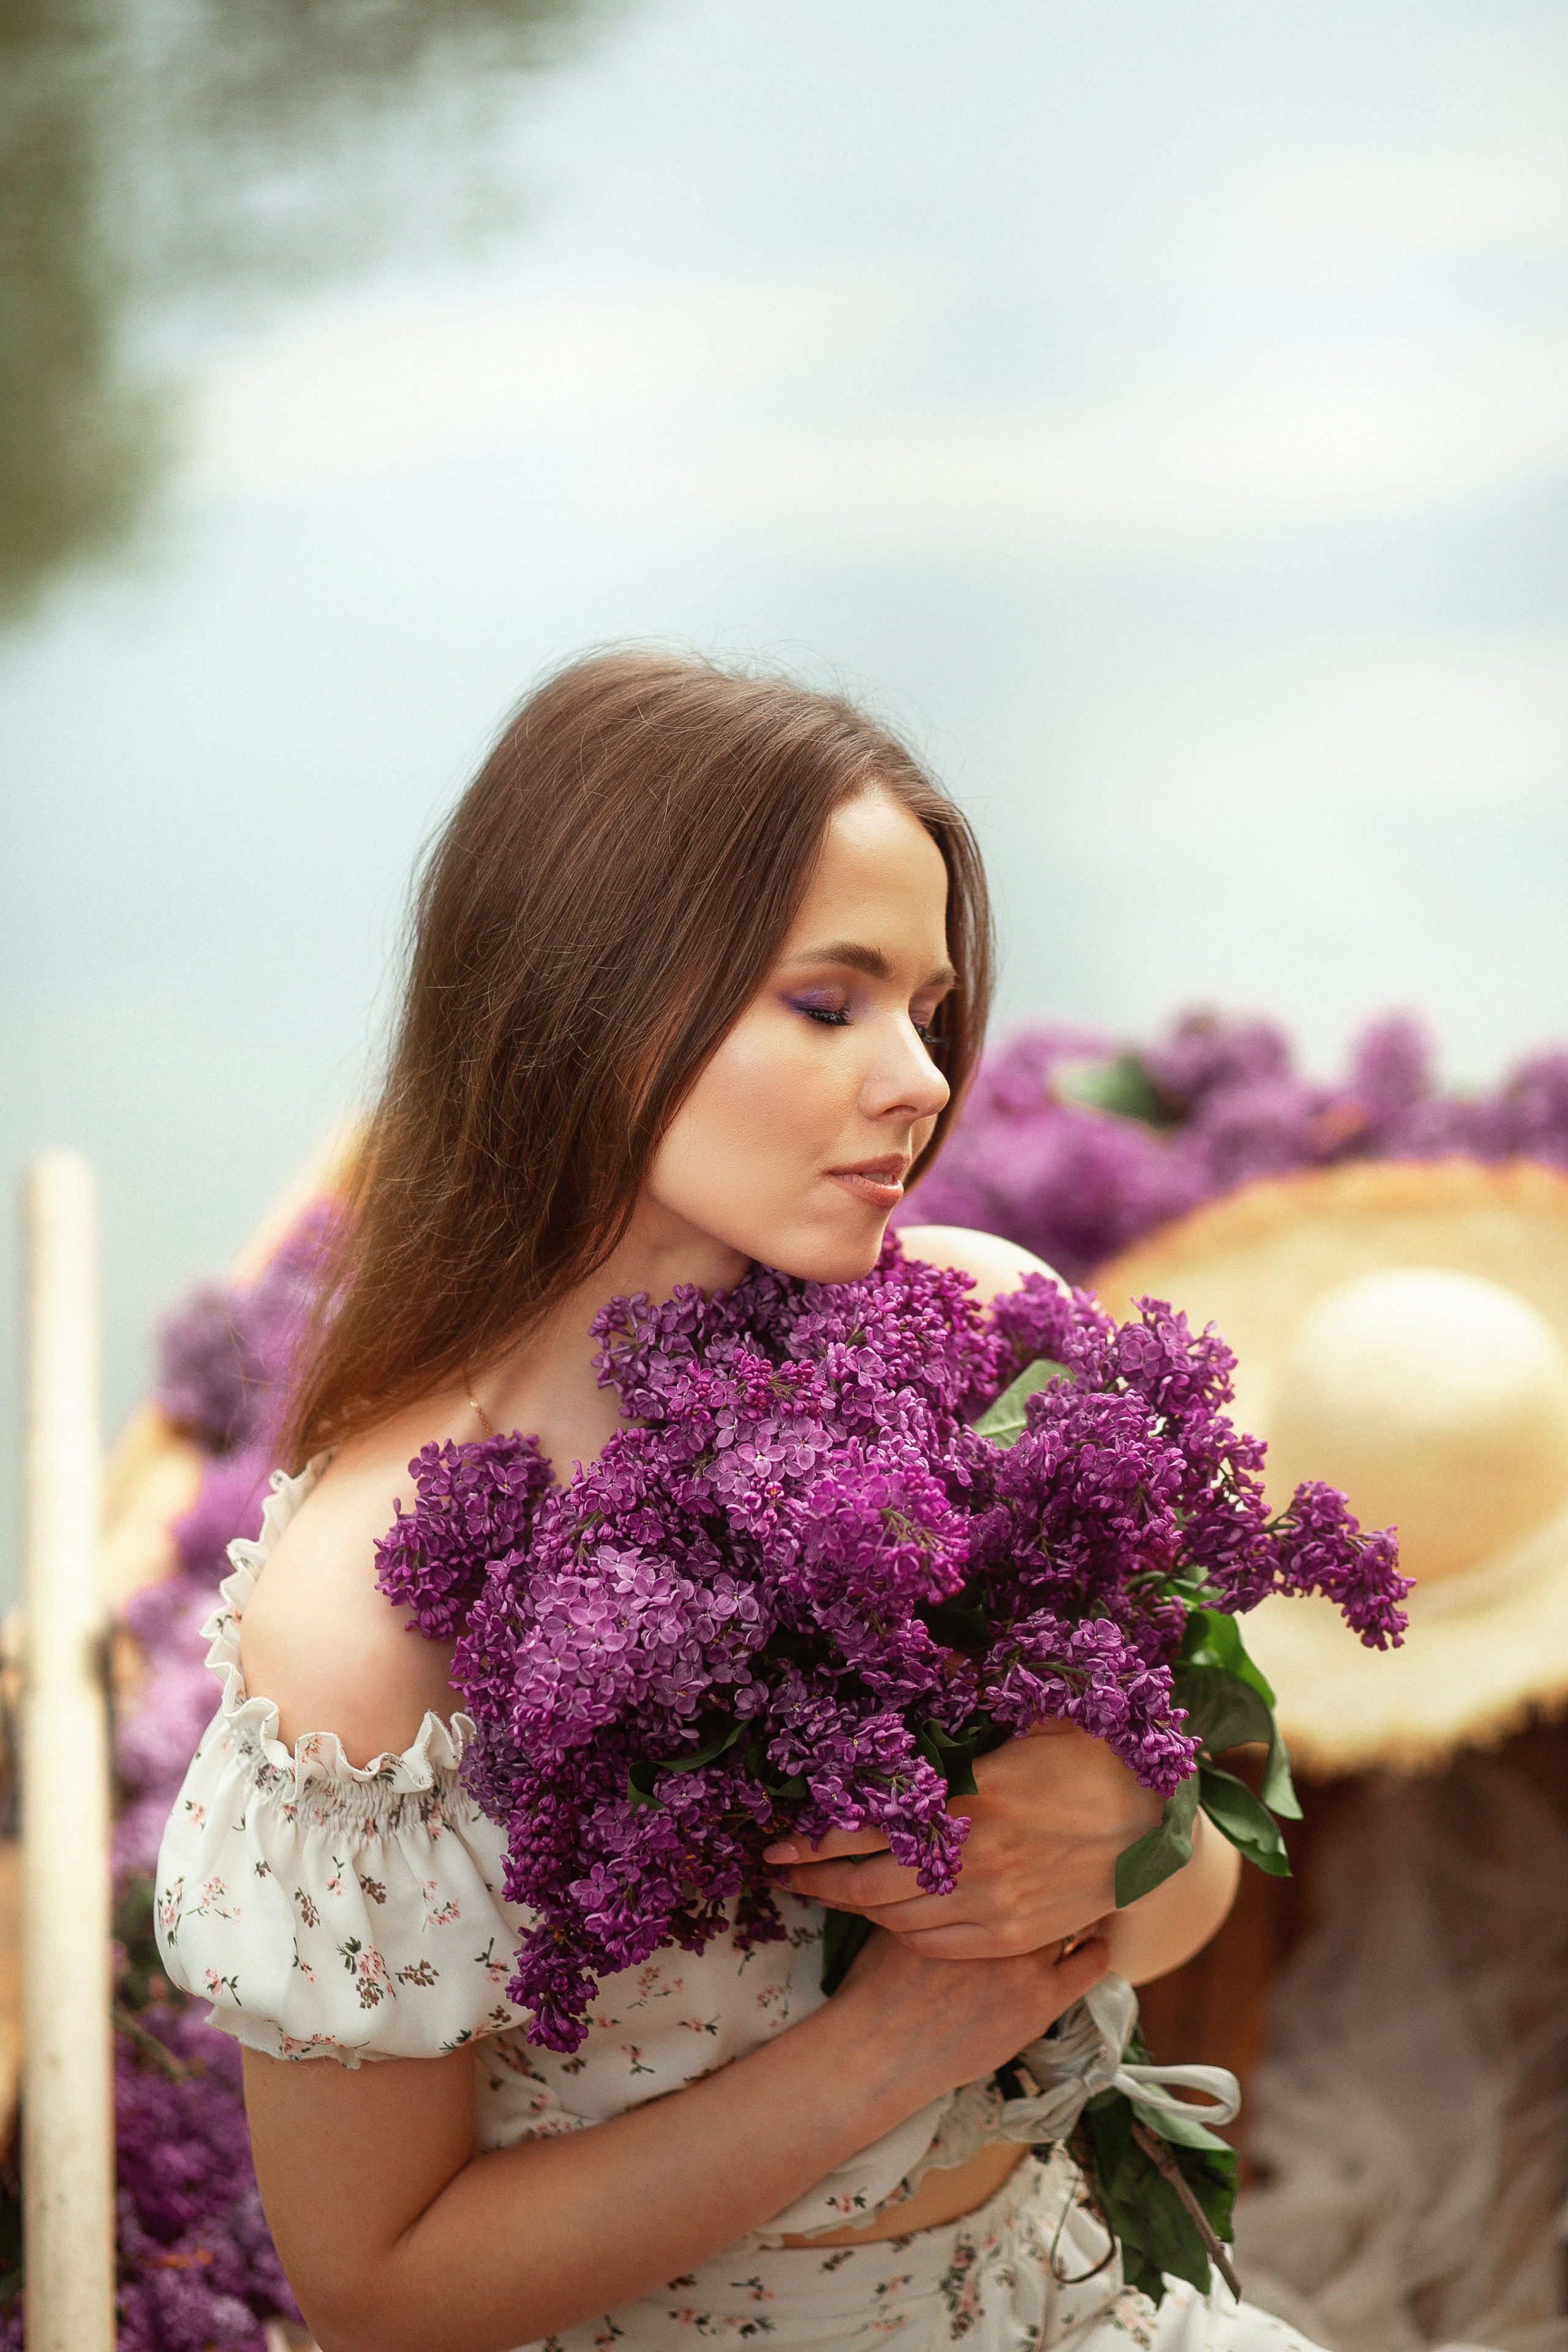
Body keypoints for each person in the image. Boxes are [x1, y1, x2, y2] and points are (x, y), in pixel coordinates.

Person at [155, 654, 1313, 2352]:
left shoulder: (983, 1338)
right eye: (830, 1004)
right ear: (588, 1002)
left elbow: (1200, 1883)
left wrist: (1118, 1827)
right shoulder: (367, 1616)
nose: (921, 1077)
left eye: (926, 1006)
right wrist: (885, 2049)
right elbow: (379, 2287)